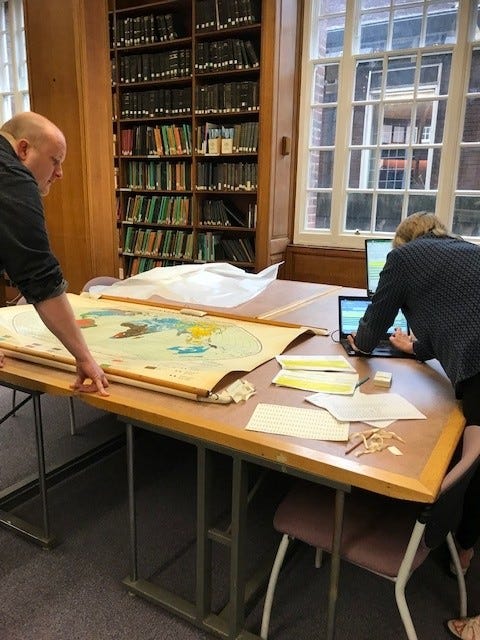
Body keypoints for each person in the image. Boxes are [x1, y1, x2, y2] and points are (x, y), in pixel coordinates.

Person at [346, 212, 480, 639]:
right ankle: (464, 549)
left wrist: (359, 342)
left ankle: (455, 544)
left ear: (402, 242)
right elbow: (457, 315)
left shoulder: (402, 260)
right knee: (476, 456)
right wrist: (417, 348)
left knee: (475, 459)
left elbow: (370, 331)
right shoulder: (465, 251)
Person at [0, 111, 108, 395]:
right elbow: (39, 276)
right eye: (55, 160)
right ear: (23, 149)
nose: (59, 173)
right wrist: (84, 356)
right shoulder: (12, 177)